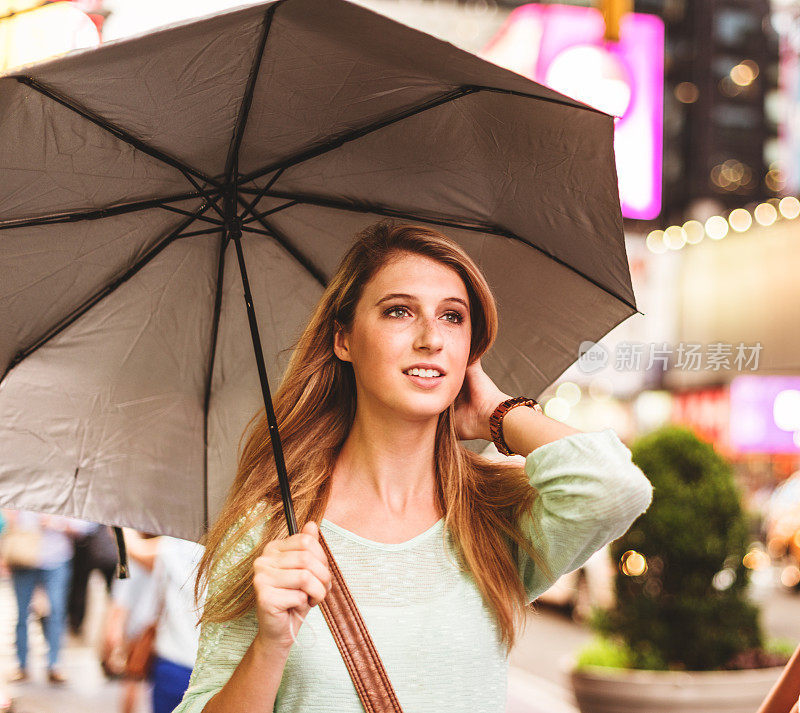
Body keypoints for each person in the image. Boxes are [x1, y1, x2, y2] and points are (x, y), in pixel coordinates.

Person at [172, 220, 654, 713]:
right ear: (344, 339)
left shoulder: (491, 519)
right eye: (399, 311)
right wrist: (270, 645)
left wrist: (498, 414)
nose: (431, 338)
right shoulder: (274, 528)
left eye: (453, 317)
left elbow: (616, 487)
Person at [3, 509, 94, 684]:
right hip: (25, 557)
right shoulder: (25, 490)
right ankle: (21, 665)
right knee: (22, 614)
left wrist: (56, 523)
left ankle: (54, 664)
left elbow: (84, 527)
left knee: (56, 611)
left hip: (56, 558)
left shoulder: (65, 494)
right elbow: (8, 516)